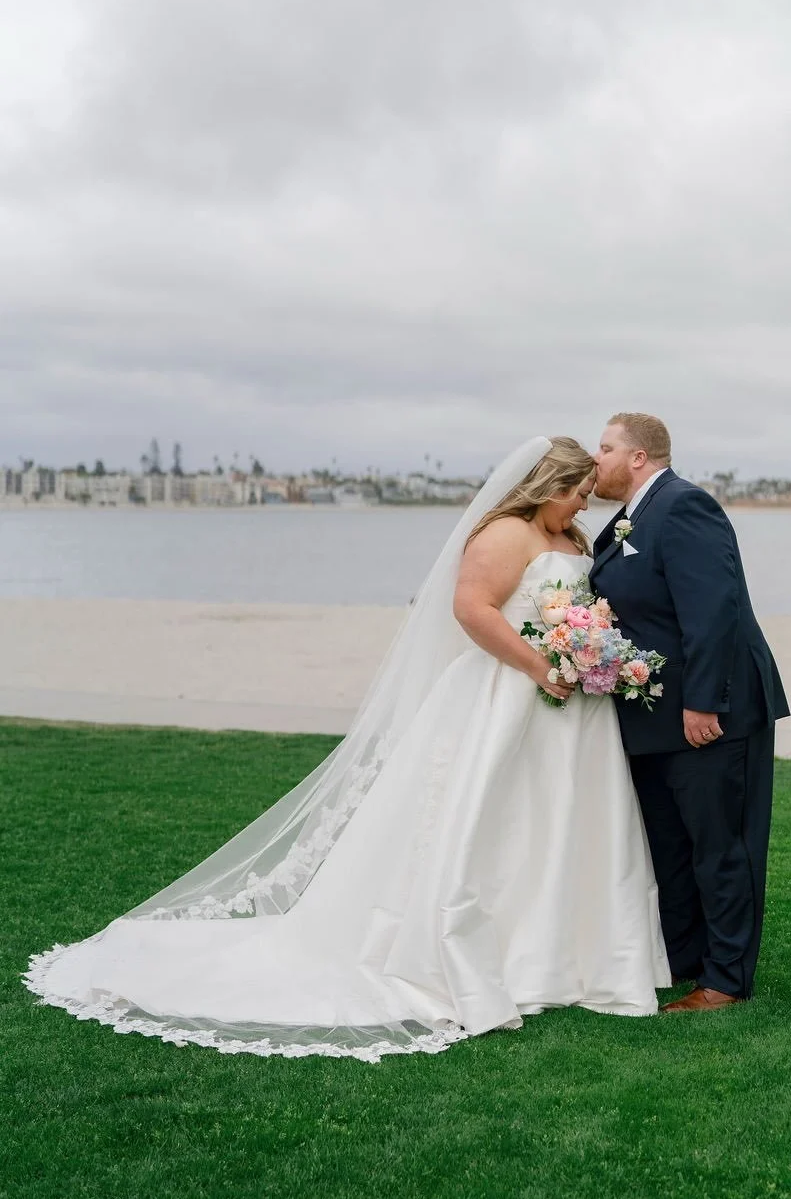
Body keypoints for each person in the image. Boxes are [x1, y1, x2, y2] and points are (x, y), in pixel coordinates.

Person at [25, 437, 669, 1062]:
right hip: (508, 695)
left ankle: (562, 961)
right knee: (494, 823)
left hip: (571, 714)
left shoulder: (573, 540)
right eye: (579, 492)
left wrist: (588, 651)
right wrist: (538, 665)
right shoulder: (505, 534)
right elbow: (473, 610)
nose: (584, 505)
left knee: (561, 825)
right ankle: (486, 957)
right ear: (548, 484)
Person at [591, 413, 790, 1011]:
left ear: (638, 457)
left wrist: (703, 703)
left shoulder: (683, 507)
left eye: (604, 448)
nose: (594, 458)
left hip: (708, 712)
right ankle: (684, 959)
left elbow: (713, 610)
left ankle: (725, 980)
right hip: (655, 716)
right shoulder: (632, 517)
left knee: (719, 845)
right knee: (670, 846)